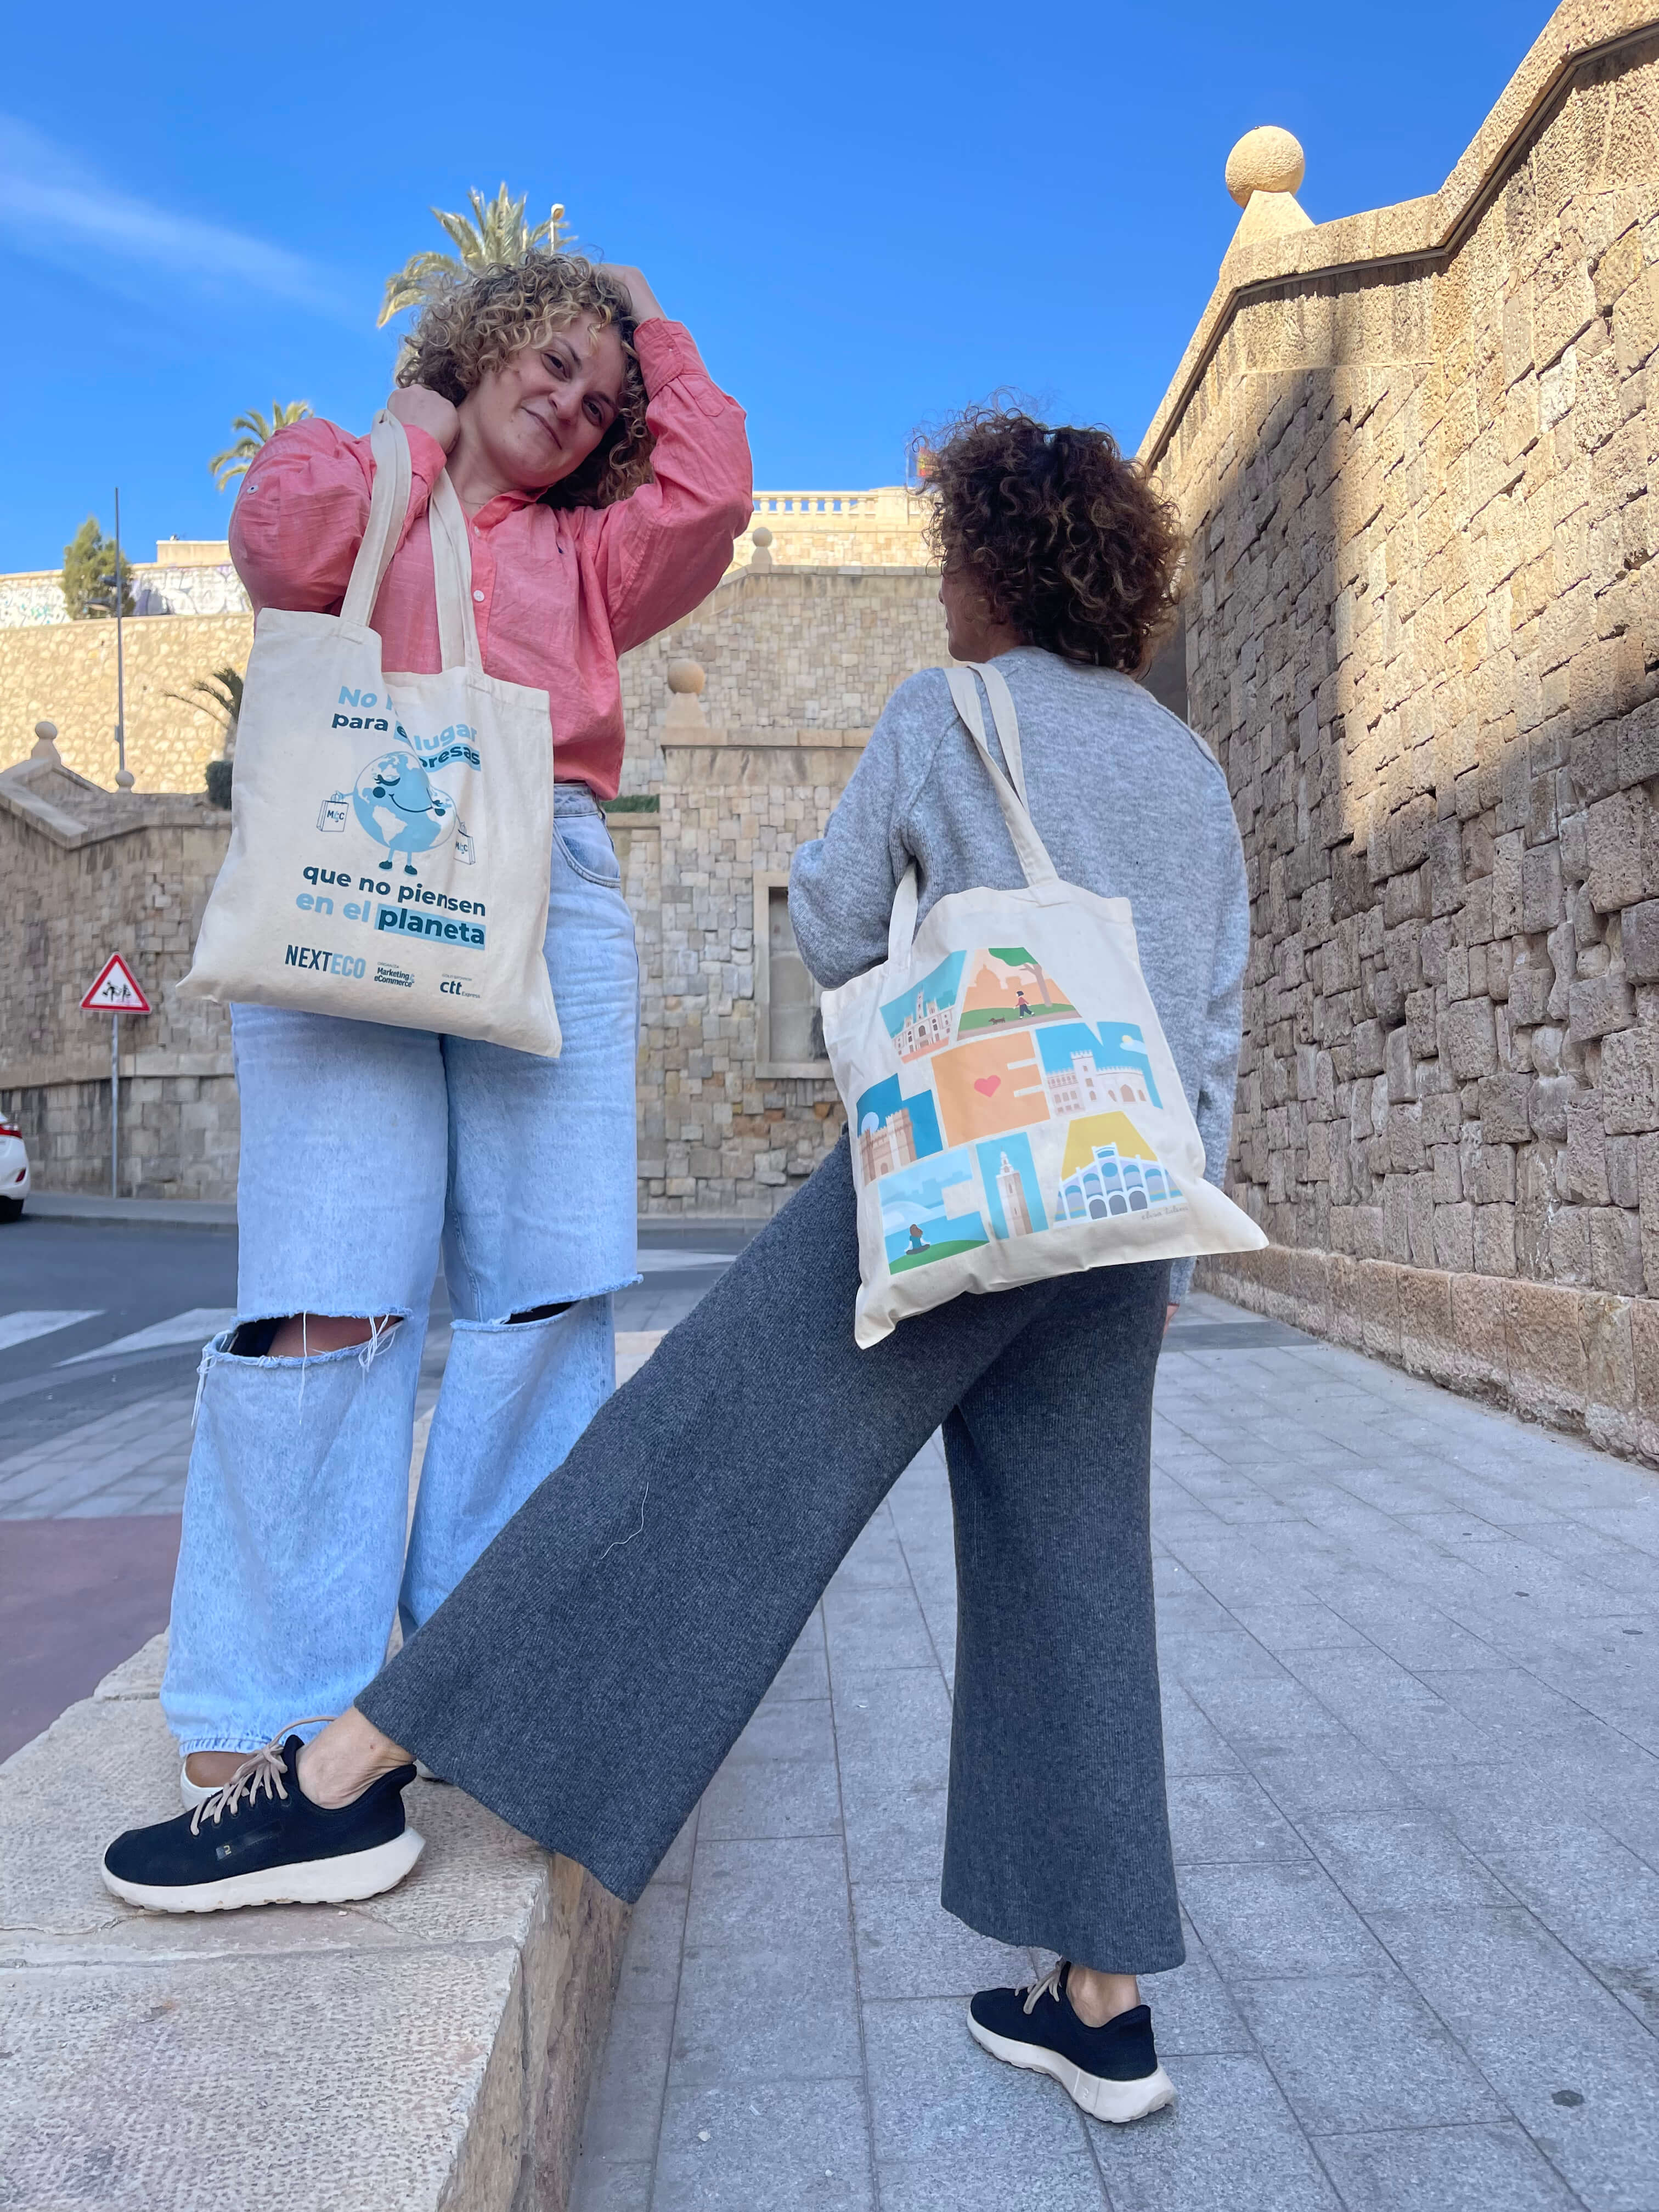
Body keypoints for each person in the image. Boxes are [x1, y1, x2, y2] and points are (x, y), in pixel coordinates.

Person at [108, 409, 1249, 2130]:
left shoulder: (957, 708)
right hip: (1127, 1208)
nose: (940, 582)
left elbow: (840, 913)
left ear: (998, 564)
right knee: (1079, 1570)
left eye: (953, 553)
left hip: (947, 1179)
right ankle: (1103, 2002)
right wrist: (1175, 1225)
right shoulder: (1194, 769)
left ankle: (343, 1775)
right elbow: (1218, 1022)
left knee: (691, 1462)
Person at [160, 256, 752, 1801]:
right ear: (485, 345)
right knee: (325, 1288)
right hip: (339, 877)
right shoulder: (346, 465)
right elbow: (279, 545)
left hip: (545, 877)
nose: (571, 401)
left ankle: (488, 1667)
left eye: (598, 399)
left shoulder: (594, 551)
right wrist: (409, 442)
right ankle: (283, 1681)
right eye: (553, 361)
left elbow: (713, 492)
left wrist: (647, 317)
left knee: (546, 1293)